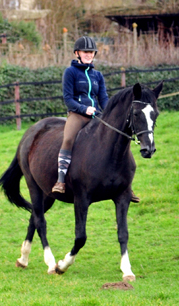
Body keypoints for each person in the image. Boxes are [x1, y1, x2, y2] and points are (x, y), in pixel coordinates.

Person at [52, 36, 140, 203]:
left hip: (97, 116)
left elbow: (104, 98)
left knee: (116, 139)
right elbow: (68, 99)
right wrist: (84, 109)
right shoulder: (70, 72)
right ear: (77, 53)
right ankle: (61, 180)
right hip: (77, 115)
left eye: (91, 52)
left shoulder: (97, 75)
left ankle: (126, 185)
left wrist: (110, 114)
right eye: (86, 52)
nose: (89, 55)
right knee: (69, 139)